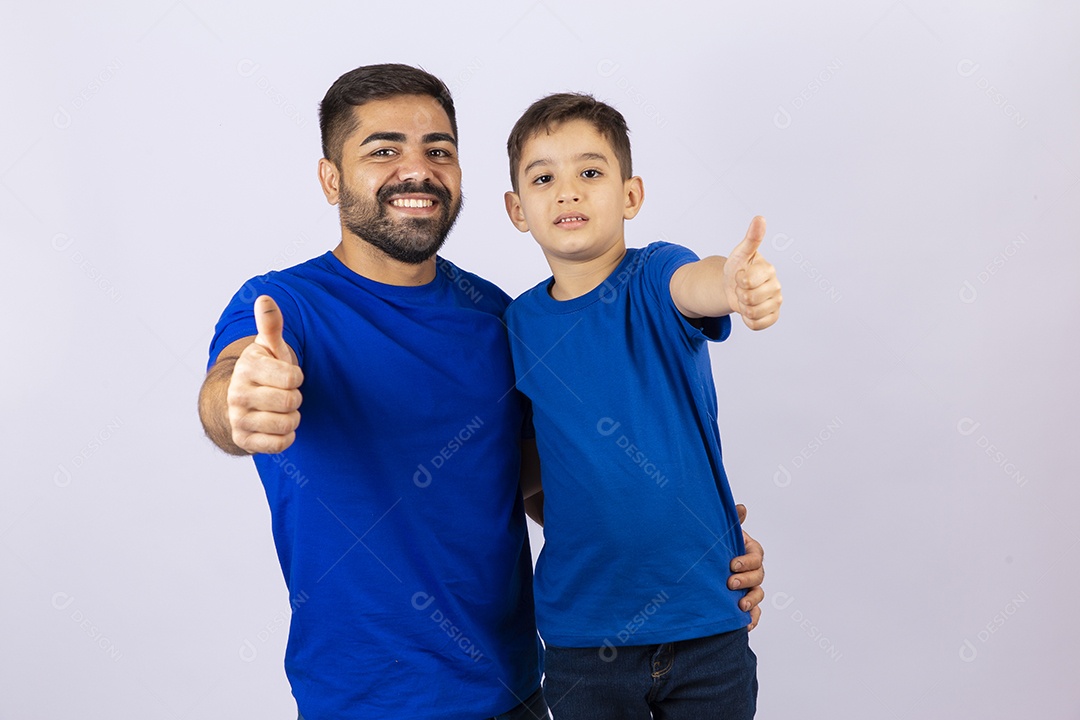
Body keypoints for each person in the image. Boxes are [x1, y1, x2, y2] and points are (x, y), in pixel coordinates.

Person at [197, 65, 766, 720]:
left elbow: (549, 487)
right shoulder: (283, 306)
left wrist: (693, 549)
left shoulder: (503, 320)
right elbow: (230, 389)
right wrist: (243, 395)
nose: (417, 169)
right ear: (331, 178)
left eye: (438, 149)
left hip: (517, 696)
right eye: (383, 150)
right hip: (358, 703)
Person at [501, 93, 782, 719]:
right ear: (517, 209)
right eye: (544, 178)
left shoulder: (656, 276)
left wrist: (734, 284)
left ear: (631, 195)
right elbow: (535, 478)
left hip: (707, 626)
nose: (567, 192)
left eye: (590, 172)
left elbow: (699, 283)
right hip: (583, 640)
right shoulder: (515, 327)